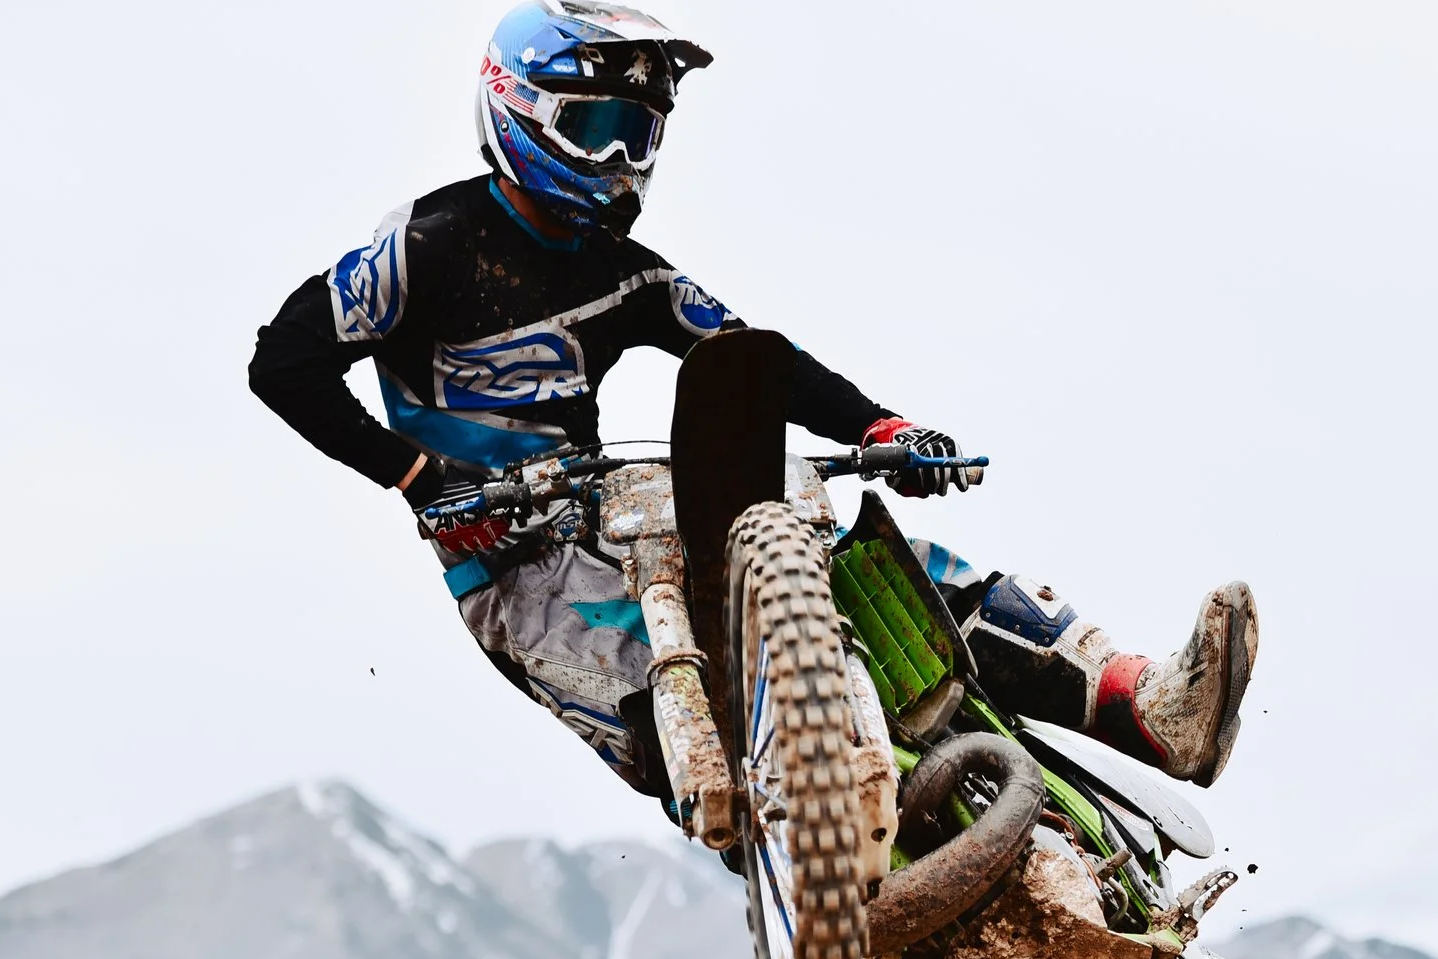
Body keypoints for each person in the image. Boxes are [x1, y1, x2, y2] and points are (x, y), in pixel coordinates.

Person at [249, 0, 1256, 810]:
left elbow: (756, 362)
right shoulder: (423, 247)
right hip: (512, 564)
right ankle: (790, 852)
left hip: (611, 512)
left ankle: (1143, 704)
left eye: (635, 135)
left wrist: (881, 429)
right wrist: (420, 476)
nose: (615, 163)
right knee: (654, 711)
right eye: (590, 129)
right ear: (515, 108)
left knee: (874, 556)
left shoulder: (633, 276)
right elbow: (283, 361)